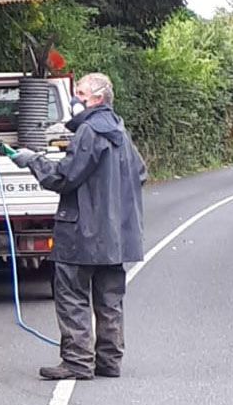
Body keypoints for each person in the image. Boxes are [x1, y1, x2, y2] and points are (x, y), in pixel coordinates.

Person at [10, 73, 147, 380]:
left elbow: (64, 177)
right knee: (110, 300)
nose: (75, 98)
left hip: (81, 234)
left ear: (96, 99)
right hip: (116, 239)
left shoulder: (89, 131)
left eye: (80, 93)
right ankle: (109, 361)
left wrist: (33, 161)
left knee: (72, 297)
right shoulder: (120, 133)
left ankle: (77, 361)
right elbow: (140, 173)